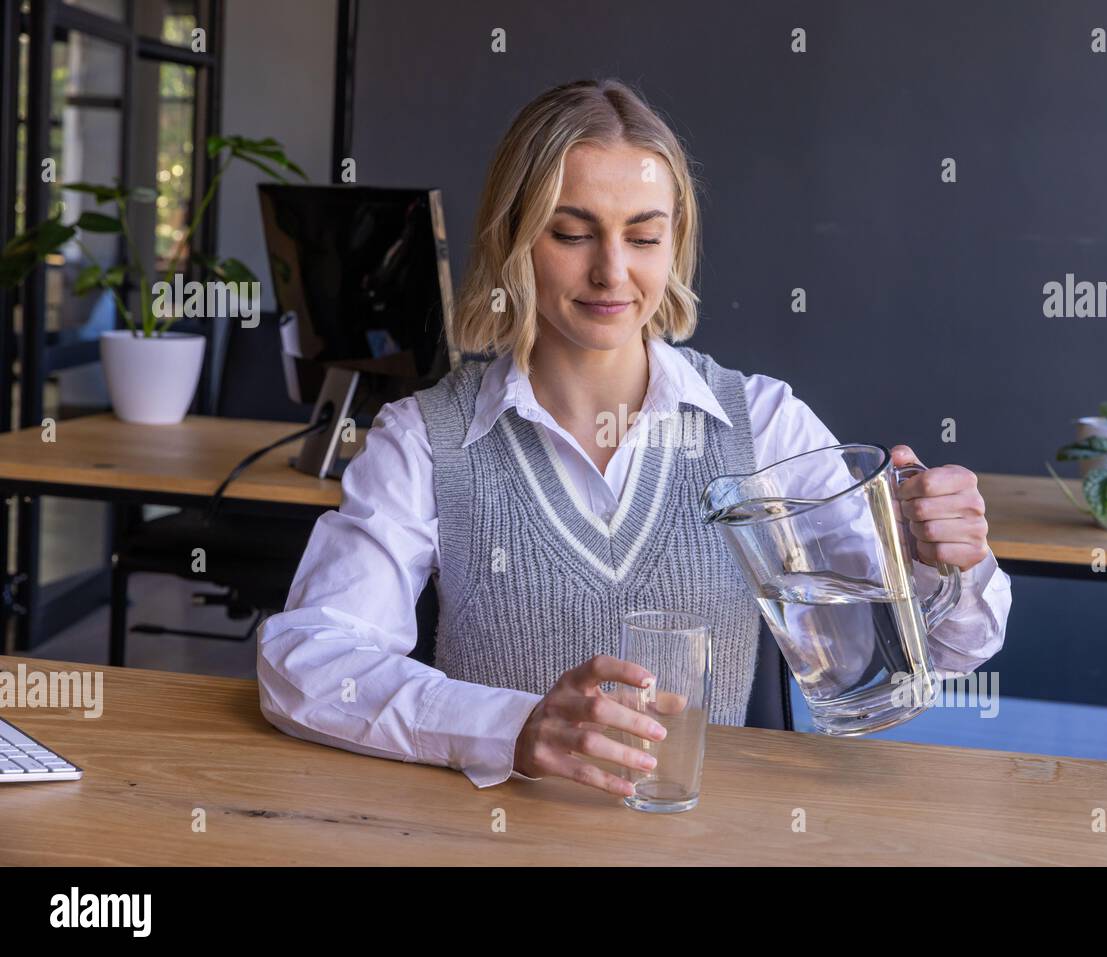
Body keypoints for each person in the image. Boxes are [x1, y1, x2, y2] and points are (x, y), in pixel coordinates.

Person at [257, 78, 1012, 798]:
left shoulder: (762, 423)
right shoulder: (424, 440)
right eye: (572, 232)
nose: (611, 271)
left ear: (673, 245)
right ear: (515, 238)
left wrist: (942, 561)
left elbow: (946, 652)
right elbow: (305, 665)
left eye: (643, 236)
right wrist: (512, 727)